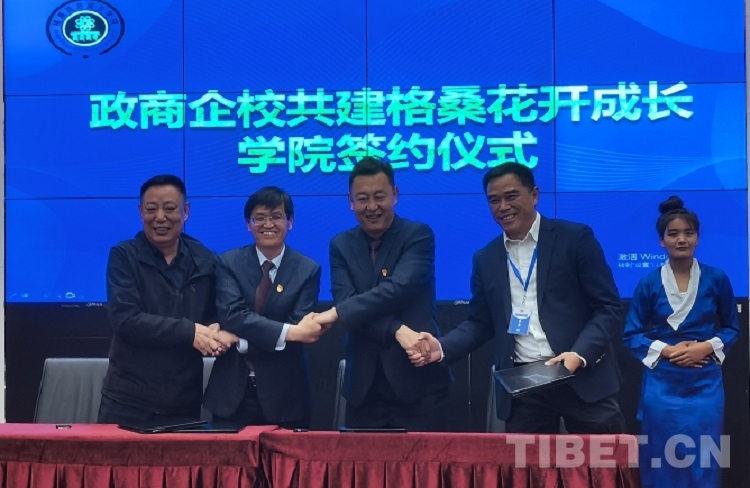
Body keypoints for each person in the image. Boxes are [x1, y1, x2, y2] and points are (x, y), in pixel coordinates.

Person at [413, 162, 626, 434]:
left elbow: (607, 307)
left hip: (581, 375)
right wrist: (442, 347)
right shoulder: (486, 258)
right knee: (528, 464)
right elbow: (480, 323)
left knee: (602, 461)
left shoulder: (575, 239)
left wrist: (579, 354)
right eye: (494, 200)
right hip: (525, 385)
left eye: (511, 196)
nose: (503, 206)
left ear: (534, 195)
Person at [314, 156, 450, 431]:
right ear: (350, 201)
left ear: (395, 195)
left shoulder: (418, 235)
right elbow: (347, 302)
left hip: (418, 384)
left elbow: (398, 290)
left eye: (379, 196)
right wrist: (397, 329)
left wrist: (339, 312)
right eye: (362, 199)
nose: (372, 207)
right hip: (363, 390)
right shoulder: (340, 244)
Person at [622, 196, 739, 488]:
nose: (682, 239)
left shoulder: (717, 279)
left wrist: (705, 347)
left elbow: (731, 328)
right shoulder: (648, 282)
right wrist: (667, 350)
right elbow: (631, 334)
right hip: (662, 382)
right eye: (673, 234)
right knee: (660, 454)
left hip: (705, 380)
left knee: (705, 453)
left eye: (689, 232)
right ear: (661, 241)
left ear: (698, 237)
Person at [99, 174, 231, 425]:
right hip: (128, 400)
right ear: (141, 212)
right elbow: (125, 320)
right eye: (151, 209)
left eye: (170, 208)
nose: (160, 217)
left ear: (186, 211)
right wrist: (189, 331)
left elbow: (215, 313)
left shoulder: (205, 259)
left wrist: (216, 328)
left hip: (183, 400)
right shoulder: (124, 256)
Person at [203, 186, 326, 429]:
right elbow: (233, 315)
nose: (267, 224)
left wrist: (238, 340)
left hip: (286, 395)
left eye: (276, 216)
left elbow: (299, 326)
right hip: (232, 393)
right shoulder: (228, 262)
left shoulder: (308, 269)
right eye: (259, 218)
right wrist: (288, 332)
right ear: (248, 224)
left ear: (290, 221)